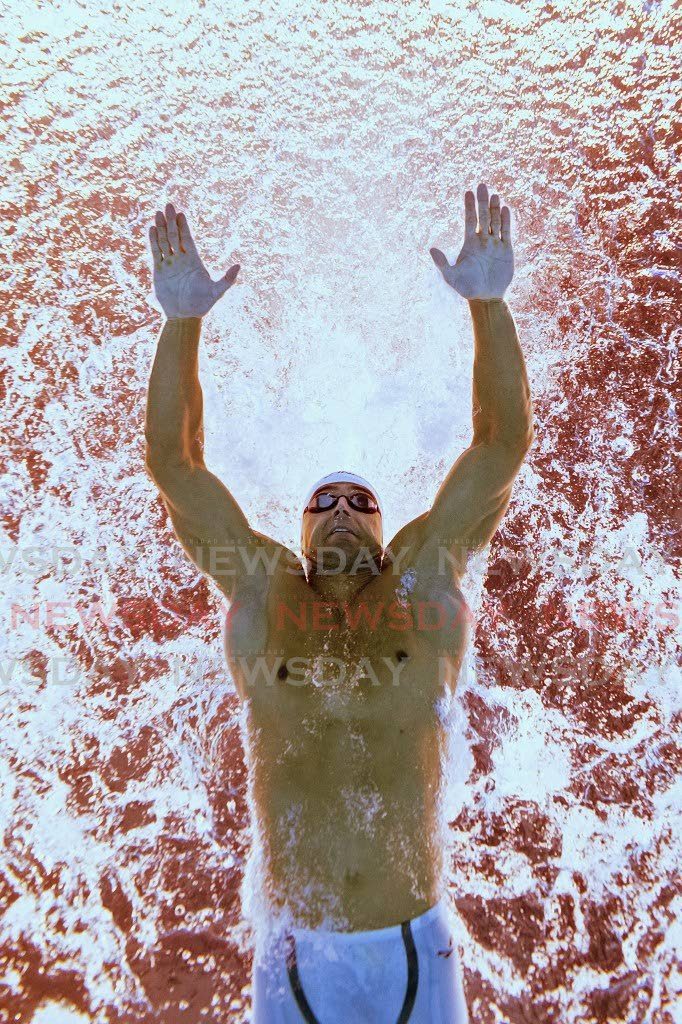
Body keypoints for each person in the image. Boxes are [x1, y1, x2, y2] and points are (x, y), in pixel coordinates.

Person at [144, 183, 534, 1023]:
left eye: (360, 500)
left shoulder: (428, 578)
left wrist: (488, 306)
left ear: (389, 525)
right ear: (301, 531)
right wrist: (183, 324)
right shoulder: (260, 589)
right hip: (294, 956)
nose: (345, 512)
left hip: (413, 949)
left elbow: (499, 445)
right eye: (325, 504)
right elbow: (178, 471)